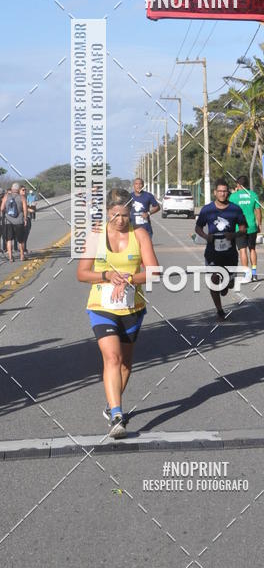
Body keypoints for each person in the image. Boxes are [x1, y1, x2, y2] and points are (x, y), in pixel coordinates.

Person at [76, 187, 158, 438]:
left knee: (125, 364)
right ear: (107, 212)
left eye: (125, 215)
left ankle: (112, 404)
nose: (121, 220)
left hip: (132, 307)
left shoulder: (140, 234)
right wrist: (107, 275)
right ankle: (117, 415)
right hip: (101, 307)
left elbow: (154, 272)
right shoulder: (96, 235)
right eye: (115, 215)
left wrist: (130, 278)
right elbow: (82, 273)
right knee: (112, 358)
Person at [195, 178, 247, 319]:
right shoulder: (207, 209)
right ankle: (219, 311)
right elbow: (198, 228)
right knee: (214, 280)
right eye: (220, 191)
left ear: (228, 193)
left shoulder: (235, 209)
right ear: (215, 192)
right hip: (212, 252)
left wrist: (233, 235)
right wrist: (206, 236)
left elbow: (243, 229)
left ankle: (227, 283)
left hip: (230, 254)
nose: (222, 194)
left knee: (228, 285)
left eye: (225, 191)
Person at [229, 177, 262, 282]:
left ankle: (247, 275)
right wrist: (259, 224)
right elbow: (258, 211)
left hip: (239, 227)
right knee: (252, 249)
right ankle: (254, 274)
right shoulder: (253, 195)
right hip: (252, 226)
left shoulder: (233, 197)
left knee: (242, 250)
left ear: (238, 185)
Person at [1, 181, 27, 262]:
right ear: (18, 189)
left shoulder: (6, 196)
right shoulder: (22, 197)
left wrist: (6, 213)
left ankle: (10, 257)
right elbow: (25, 209)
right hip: (19, 221)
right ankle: (22, 256)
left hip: (8, 221)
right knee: (21, 240)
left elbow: (2, 208)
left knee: (9, 240)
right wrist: (25, 219)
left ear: (12, 189)